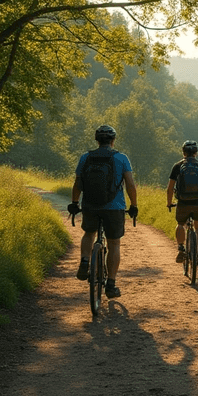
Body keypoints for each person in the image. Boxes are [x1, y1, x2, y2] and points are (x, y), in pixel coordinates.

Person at [67, 125, 138, 298]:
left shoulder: (86, 157)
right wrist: (134, 205)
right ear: (113, 140)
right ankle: (111, 285)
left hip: (90, 205)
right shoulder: (121, 158)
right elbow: (130, 184)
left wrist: (75, 202)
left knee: (89, 233)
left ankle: (85, 261)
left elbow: (78, 183)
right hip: (114, 208)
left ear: (97, 140)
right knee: (114, 243)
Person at [166, 140, 198, 266]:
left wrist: (169, 203)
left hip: (183, 203)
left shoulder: (177, 166)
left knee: (180, 224)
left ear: (183, 152)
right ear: (196, 153)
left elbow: (170, 188)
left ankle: (181, 248)